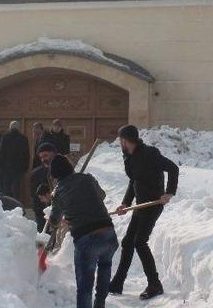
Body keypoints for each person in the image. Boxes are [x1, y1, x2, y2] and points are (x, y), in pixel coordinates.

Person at [109, 125, 179, 301]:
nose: (120, 143)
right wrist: (125, 203)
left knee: (140, 242)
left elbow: (173, 168)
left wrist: (169, 192)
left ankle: (155, 284)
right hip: (141, 205)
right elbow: (134, 181)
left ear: (124, 140)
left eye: (120, 140)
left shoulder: (150, 153)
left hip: (153, 204)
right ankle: (117, 283)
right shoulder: (130, 157)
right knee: (127, 242)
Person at [48, 155, 118, 308]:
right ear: (70, 167)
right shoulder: (88, 178)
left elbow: (54, 221)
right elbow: (102, 195)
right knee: (105, 268)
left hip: (87, 239)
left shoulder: (58, 192)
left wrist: (66, 215)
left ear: (54, 175)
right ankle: (100, 305)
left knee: (85, 287)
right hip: (108, 234)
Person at [0, 120, 29, 201]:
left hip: (6, 168)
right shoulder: (23, 138)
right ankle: (17, 207)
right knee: (17, 190)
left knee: (6, 189)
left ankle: (7, 207)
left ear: (10, 128)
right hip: (19, 168)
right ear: (19, 128)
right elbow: (27, 155)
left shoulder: (5, 137)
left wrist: (1, 167)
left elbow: (1, 153)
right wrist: (25, 167)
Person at [30, 142, 57, 231]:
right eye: (41, 157)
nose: (43, 159)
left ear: (53, 154)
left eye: (45, 156)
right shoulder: (36, 174)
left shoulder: (64, 169)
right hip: (42, 212)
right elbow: (34, 195)